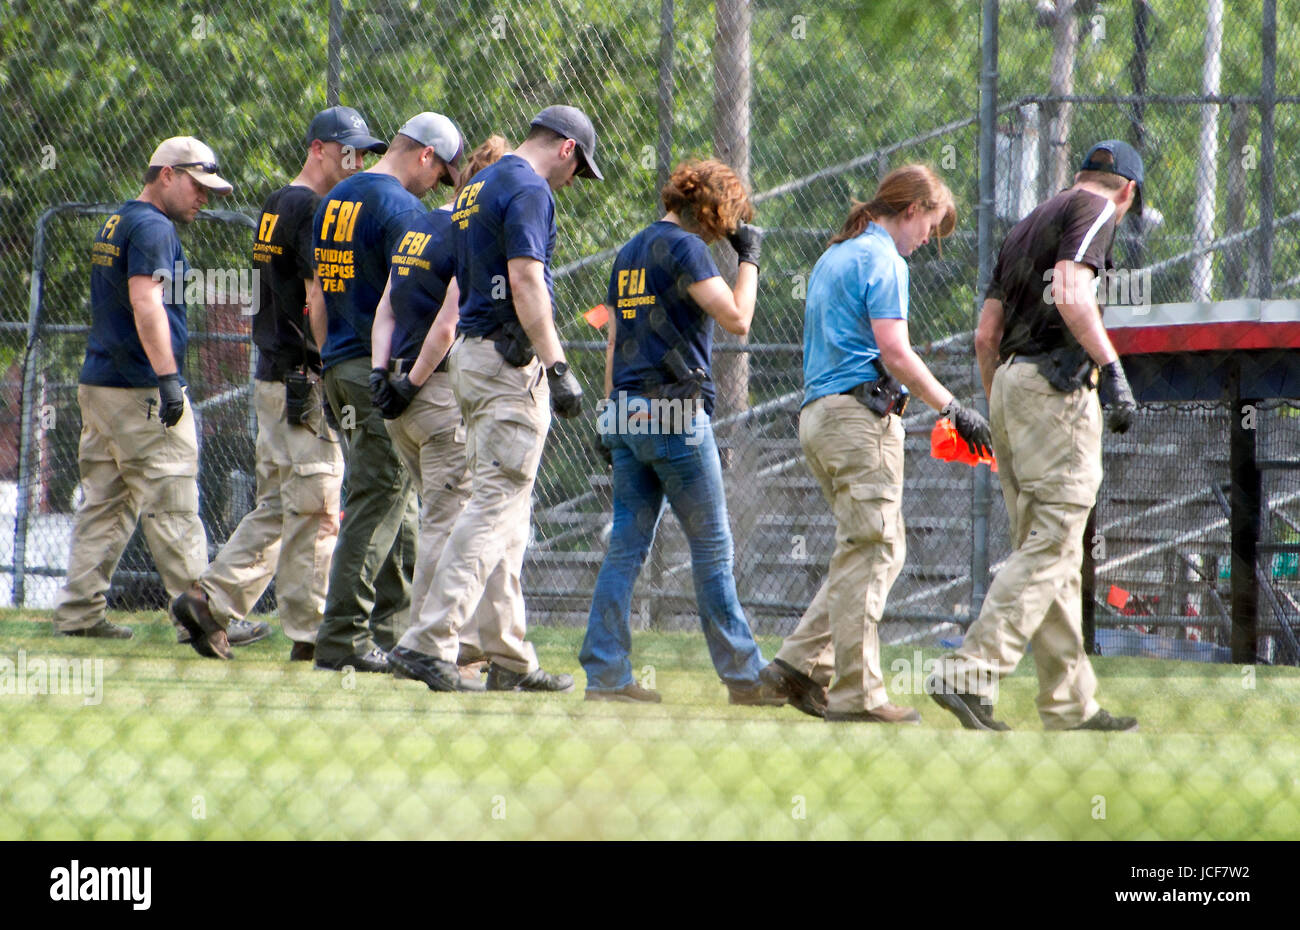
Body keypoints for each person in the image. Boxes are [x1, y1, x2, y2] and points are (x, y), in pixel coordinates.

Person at [758, 163, 992, 724]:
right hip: (858, 419)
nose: (926, 241)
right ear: (911, 209)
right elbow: (896, 351)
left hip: (818, 417)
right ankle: (858, 696)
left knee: (867, 550)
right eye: (929, 227)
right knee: (877, 549)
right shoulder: (883, 258)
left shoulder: (836, 254)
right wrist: (953, 408)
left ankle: (794, 667)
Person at [927, 141, 1143, 732]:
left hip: (1009, 385)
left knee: (1054, 553)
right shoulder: (1096, 209)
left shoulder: (1025, 224)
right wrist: (1113, 372)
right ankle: (969, 672)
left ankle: (1070, 705)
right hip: (1055, 389)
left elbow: (985, 337)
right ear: (1127, 191)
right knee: (1053, 543)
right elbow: (1073, 291)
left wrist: (1001, 408)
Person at [387, 105, 599, 694]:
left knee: (506, 510)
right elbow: (527, 279)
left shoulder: (478, 184)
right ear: (565, 148)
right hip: (508, 364)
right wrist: (557, 365)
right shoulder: (529, 187)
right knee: (492, 506)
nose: (571, 181)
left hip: (470, 359)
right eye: (577, 168)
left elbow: (463, 284)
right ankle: (428, 641)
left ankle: (508, 655)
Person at [169, 107, 387, 660]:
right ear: (319, 148)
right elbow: (316, 295)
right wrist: (331, 361)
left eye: (362, 152)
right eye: (348, 149)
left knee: (279, 503)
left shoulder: (276, 202)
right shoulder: (313, 206)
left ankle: (209, 602)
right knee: (317, 506)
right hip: (302, 378)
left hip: (271, 375)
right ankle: (312, 632)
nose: (357, 160)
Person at [579, 158, 782, 706]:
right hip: (672, 414)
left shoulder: (629, 251)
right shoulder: (687, 249)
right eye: (729, 214)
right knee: (712, 546)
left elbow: (613, 339)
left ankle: (605, 673)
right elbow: (738, 318)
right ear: (711, 209)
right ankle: (744, 675)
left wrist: (608, 414)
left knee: (625, 547)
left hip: (624, 410)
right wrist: (750, 259)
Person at [51, 137, 235, 647]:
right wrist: (168, 377)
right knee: (173, 496)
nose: (204, 197)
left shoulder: (120, 220)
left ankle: (78, 611)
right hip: (139, 389)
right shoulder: (154, 227)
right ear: (167, 175)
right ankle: (205, 617)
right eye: (198, 186)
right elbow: (146, 302)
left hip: (101, 382)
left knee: (105, 504)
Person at [309, 111, 464, 673]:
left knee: (397, 502)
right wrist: (414, 373)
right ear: (424, 155)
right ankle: (343, 638)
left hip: (340, 363)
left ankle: (395, 630)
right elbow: (414, 294)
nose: (437, 187)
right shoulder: (400, 207)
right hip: (379, 367)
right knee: (377, 501)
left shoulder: (336, 199)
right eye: (440, 173)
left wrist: (329, 364)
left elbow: (320, 296)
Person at [370, 134, 511, 687]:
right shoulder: (470, 233)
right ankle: (425, 648)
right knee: (446, 524)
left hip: (398, 396)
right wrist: (414, 382)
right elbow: (449, 323)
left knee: (446, 517)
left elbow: (386, 306)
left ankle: (465, 644)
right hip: (435, 393)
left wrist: (385, 374)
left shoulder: (421, 224)